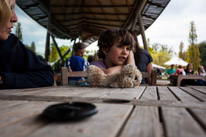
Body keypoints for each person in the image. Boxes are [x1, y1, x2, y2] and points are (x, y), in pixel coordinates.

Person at [0, 0, 54, 89]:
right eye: (9, 9)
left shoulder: (10, 44)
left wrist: (3, 79)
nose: (15, 18)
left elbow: (46, 76)